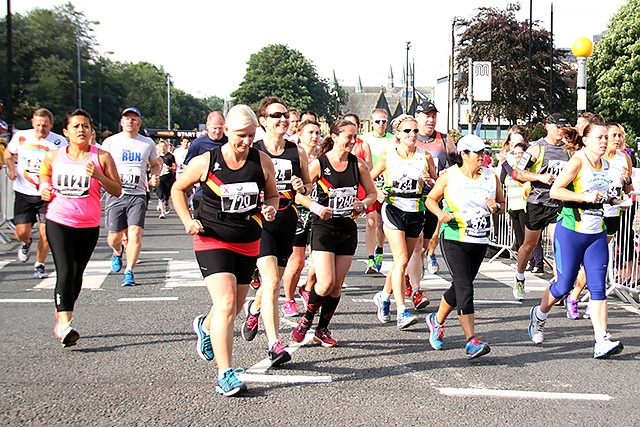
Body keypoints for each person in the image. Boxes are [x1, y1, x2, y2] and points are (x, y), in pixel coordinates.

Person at [172, 104, 279, 397]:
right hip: (212, 238)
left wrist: (271, 207)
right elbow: (177, 189)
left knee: (231, 305)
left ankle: (205, 328)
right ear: (227, 131)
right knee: (228, 302)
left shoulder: (262, 161)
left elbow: (272, 193)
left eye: (250, 135)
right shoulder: (207, 161)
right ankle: (225, 374)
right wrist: (187, 220)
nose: (245, 142)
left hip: (248, 239)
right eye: (240, 135)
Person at [528, 121, 624, 359]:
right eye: (599, 137)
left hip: (596, 234)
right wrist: (584, 196)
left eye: (606, 138)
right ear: (587, 140)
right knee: (562, 286)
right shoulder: (578, 161)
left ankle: (601, 340)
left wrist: (615, 200)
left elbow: (607, 196)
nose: (604, 141)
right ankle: (539, 317)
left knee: (598, 287)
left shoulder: (608, 166)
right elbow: (555, 191)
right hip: (571, 232)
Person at [39, 109, 121, 347]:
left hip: (88, 224)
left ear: (91, 131)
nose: (81, 130)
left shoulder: (101, 157)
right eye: (75, 126)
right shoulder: (54, 156)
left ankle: (62, 315)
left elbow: (116, 190)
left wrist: (99, 176)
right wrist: (44, 187)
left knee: (76, 274)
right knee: (64, 270)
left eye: (85, 126)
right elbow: (45, 173)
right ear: (65, 132)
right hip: (58, 220)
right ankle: (65, 325)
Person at [291, 118, 377, 346]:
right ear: (335, 137)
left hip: (347, 228)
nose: (352, 141)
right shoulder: (320, 164)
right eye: (348, 136)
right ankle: (307, 318)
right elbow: (300, 195)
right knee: (326, 282)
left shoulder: (357, 165)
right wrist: (317, 207)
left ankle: (323, 329)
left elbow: (372, 194)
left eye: (355, 136)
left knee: (337, 284)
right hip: (324, 227)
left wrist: (362, 204)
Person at [241, 96, 312, 366]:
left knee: (275, 281)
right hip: (261, 221)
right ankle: (274, 344)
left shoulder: (297, 151)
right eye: (275, 116)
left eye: (284, 114)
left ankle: (255, 307)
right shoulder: (255, 151)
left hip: (287, 218)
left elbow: (306, 186)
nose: (282, 119)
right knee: (270, 281)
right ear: (263, 121)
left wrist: (299, 185)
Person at [425, 134, 504, 359]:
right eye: (477, 153)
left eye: (484, 152)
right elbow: (431, 199)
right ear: (464, 154)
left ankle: (436, 320)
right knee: (465, 287)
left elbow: (502, 205)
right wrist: (441, 214)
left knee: (460, 286)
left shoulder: (491, 177)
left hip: (478, 239)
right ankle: (471, 340)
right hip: (454, 238)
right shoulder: (450, 176)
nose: (483, 156)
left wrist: (495, 206)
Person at [371, 115, 437, 328]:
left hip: (415, 210)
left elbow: (436, 185)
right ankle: (402, 311)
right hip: (394, 208)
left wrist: (429, 181)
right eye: (407, 131)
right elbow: (369, 178)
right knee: (400, 260)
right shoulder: (388, 155)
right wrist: (378, 192)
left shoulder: (425, 157)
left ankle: (383, 296)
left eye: (415, 131)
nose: (412, 135)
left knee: (404, 261)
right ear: (398, 134)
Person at [564, 121, 633, 320]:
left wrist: (627, 181)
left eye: (620, 136)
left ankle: (593, 299)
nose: (616, 140)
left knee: (596, 263)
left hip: (611, 214)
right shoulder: (590, 159)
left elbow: (627, 190)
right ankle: (574, 295)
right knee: (587, 264)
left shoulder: (624, 158)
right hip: (586, 217)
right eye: (612, 136)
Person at [512, 113, 570, 300]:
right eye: (557, 127)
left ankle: (559, 287)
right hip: (537, 203)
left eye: (563, 127)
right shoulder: (536, 148)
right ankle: (520, 277)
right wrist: (540, 177)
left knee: (558, 245)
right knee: (529, 245)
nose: (560, 131)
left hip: (558, 204)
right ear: (548, 126)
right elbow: (517, 173)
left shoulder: (569, 150)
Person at [102, 107, 162, 286]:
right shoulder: (110, 142)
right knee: (114, 236)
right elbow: (101, 165)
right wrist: (108, 177)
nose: (130, 121)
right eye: (127, 118)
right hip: (116, 193)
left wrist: (154, 175)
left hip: (138, 194)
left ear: (139, 123)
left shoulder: (147, 143)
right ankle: (117, 250)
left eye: (134, 119)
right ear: (121, 122)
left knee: (135, 233)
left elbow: (156, 164)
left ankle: (129, 271)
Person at [4, 108, 66, 278]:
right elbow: (8, 153)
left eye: (45, 125)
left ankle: (40, 264)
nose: (41, 129)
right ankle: (26, 242)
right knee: (21, 232)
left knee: (46, 233)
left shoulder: (59, 142)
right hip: (24, 191)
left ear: (51, 124)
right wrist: (11, 169)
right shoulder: (22, 137)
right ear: (32, 122)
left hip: (48, 193)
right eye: (38, 125)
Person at [281, 119, 321, 317]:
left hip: (319, 214)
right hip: (298, 213)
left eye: (317, 133)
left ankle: (307, 287)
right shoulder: (294, 156)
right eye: (310, 133)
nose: (314, 137)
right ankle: (288, 299)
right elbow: (296, 192)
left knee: (319, 262)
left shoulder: (323, 157)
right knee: (296, 262)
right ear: (300, 134)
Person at [360, 108, 393, 274]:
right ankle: (371, 258)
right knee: (371, 221)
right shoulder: (363, 140)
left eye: (384, 121)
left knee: (381, 223)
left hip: (387, 183)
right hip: (370, 182)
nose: (381, 124)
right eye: (378, 121)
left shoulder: (393, 139)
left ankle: (380, 249)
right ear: (371, 122)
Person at [184, 111, 228, 211]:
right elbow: (186, 165)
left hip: (225, 192)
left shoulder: (229, 141)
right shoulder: (197, 144)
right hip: (203, 192)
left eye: (220, 128)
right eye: (214, 128)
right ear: (207, 125)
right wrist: (195, 180)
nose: (217, 131)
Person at [155, 139, 177, 218]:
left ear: (167, 147)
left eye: (164, 146)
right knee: (160, 194)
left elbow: (175, 167)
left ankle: (167, 204)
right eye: (161, 146)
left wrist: (169, 168)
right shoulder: (156, 156)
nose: (163, 148)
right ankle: (162, 212)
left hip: (168, 178)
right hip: (159, 177)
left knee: (167, 195)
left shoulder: (170, 156)